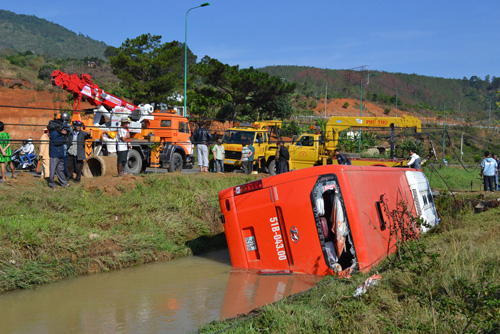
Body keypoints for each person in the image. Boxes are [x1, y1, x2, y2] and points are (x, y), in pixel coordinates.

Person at [48, 124, 70, 189]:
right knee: (52, 170)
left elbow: (65, 140)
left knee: (60, 169)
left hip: (60, 154)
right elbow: (57, 142)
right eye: (62, 128)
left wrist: (64, 135)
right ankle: (52, 184)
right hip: (54, 155)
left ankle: (64, 183)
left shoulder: (58, 133)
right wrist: (63, 135)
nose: (63, 130)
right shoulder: (53, 133)